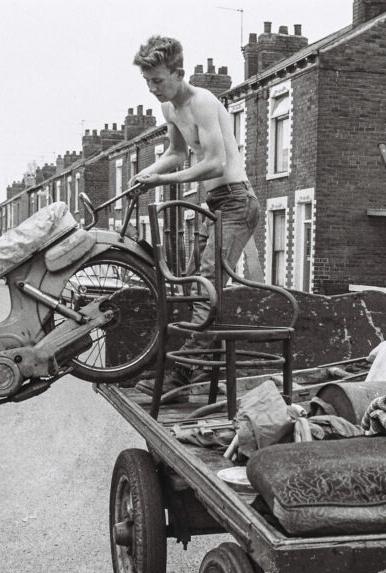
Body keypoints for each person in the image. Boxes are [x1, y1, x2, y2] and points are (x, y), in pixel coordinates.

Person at [130, 35, 261, 395]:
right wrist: (148, 174)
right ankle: (198, 374)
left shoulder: (202, 102)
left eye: (158, 80)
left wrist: (162, 179)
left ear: (179, 73)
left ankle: (182, 374)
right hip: (215, 204)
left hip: (237, 202)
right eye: (147, 82)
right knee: (193, 284)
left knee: (207, 284)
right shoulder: (170, 109)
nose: (153, 88)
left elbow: (214, 162)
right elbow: (175, 153)